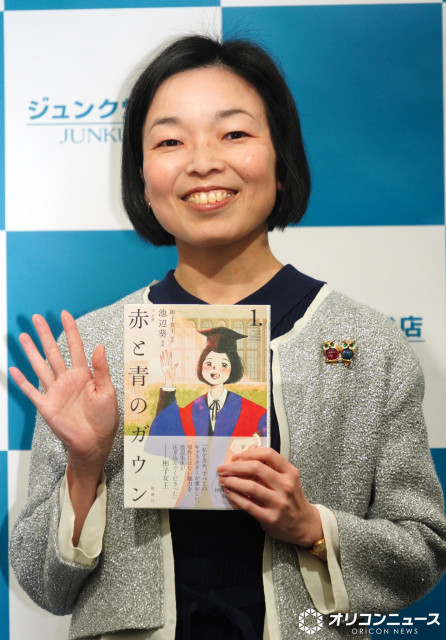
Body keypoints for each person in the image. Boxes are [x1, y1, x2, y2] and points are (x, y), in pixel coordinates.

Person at [8, 34, 446, 640]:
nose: (203, 161)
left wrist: (311, 526)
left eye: (234, 133)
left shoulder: (364, 343)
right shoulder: (96, 347)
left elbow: (423, 546)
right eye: (169, 141)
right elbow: (44, 586)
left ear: (281, 158)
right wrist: (85, 468)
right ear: (142, 177)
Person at [150, 328, 267, 437]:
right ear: (201, 365)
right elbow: (165, 426)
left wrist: (255, 438)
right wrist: (169, 383)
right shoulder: (194, 408)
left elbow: (267, 426)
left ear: (233, 368)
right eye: (209, 363)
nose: (214, 369)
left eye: (223, 364)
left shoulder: (244, 407)